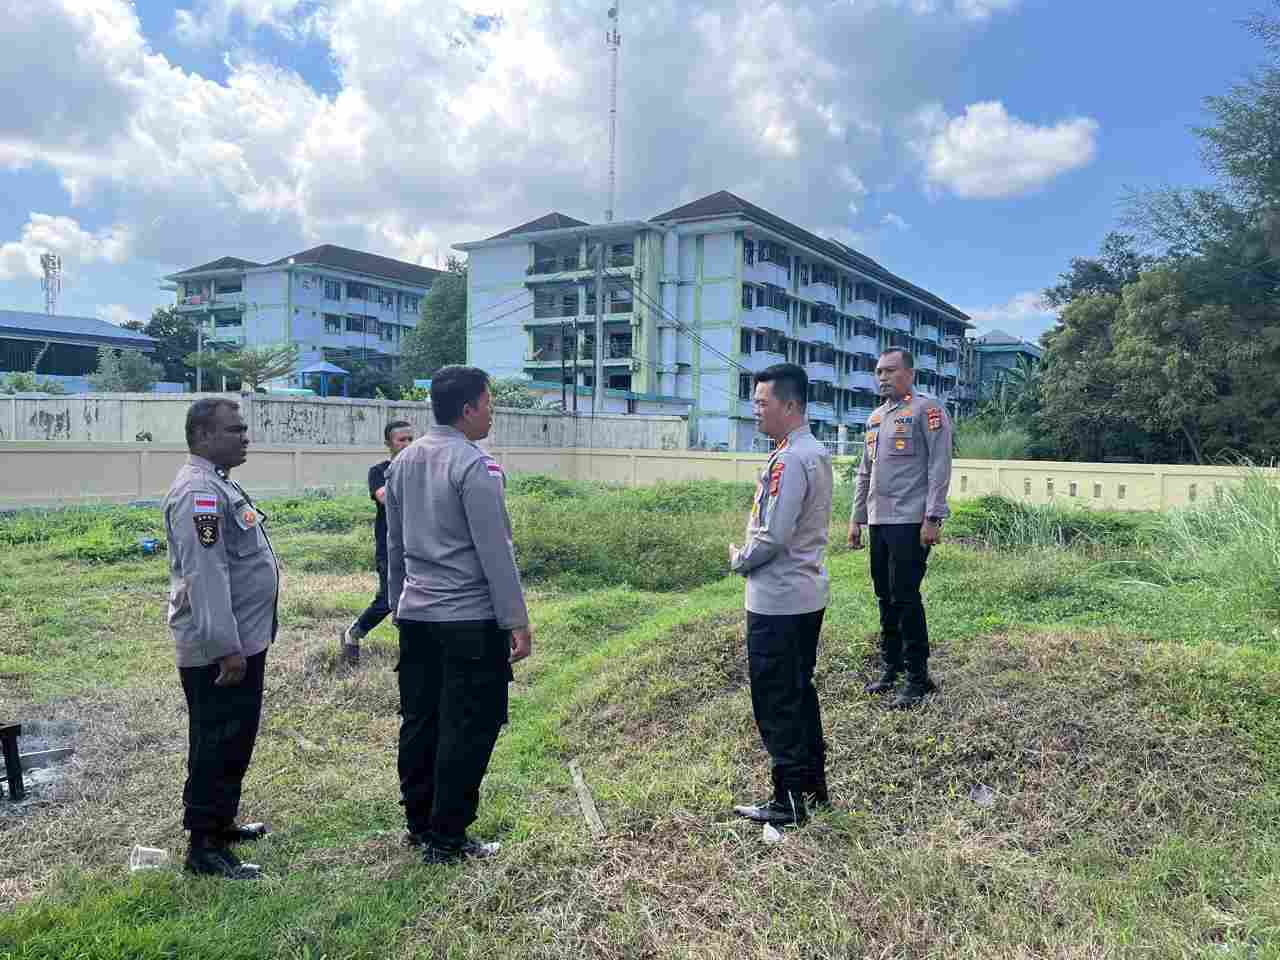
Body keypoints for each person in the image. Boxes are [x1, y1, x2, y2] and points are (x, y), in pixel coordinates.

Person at [385, 365, 533, 864]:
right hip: (468, 619)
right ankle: (447, 837)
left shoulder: (403, 463)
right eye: (489, 402)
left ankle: (419, 823)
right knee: (468, 724)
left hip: (418, 617)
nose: (492, 411)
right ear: (468, 408)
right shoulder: (474, 465)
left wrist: (397, 604)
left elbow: (395, 547)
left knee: (421, 720)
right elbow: (496, 552)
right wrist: (516, 620)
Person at [162, 398, 280, 880]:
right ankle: (204, 848)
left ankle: (222, 823)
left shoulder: (218, 482)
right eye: (236, 430)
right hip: (221, 647)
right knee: (215, 741)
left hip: (242, 639)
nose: (245, 436)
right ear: (205, 435)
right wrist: (224, 648)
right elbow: (205, 576)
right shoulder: (199, 493)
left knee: (236, 737)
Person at [729, 363, 834, 827]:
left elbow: (772, 536)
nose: (756, 410)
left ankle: (788, 800)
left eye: (762, 402)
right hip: (802, 594)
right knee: (798, 693)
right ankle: (812, 788)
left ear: (790, 406)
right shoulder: (811, 451)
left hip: (778, 598)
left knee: (776, 700)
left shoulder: (791, 458)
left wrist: (739, 559)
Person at [847, 349, 953, 709]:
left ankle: (917, 678)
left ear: (909, 373)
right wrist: (856, 518)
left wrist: (933, 517)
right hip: (879, 520)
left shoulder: (927, 409)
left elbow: (939, 466)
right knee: (884, 596)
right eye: (878, 371)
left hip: (911, 521)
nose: (882, 377)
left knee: (905, 597)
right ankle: (890, 668)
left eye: (890, 371)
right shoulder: (875, 418)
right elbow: (865, 471)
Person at [340, 419, 416, 666]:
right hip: (389, 547)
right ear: (388, 443)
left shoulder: (420, 469)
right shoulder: (379, 471)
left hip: (418, 546)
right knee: (388, 600)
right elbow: (385, 498)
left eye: (410, 440)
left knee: (414, 599)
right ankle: (353, 634)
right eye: (401, 440)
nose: (407, 444)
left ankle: (411, 651)